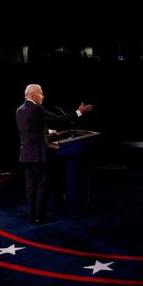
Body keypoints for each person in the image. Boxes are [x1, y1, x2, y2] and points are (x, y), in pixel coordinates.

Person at [16, 84, 93, 224]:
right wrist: (79, 111)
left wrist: (47, 132)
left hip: (26, 155)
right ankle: (39, 217)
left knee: (31, 187)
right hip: (38, 155)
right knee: (42, 186)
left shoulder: (20, 110)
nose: (43, 96)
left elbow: (31, 129)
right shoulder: (36, 109)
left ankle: (32, 215)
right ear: (33, 94)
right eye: (41, 93)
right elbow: (59, 119)